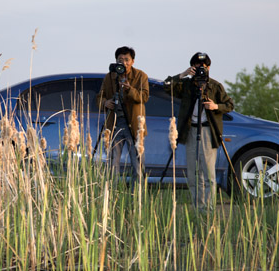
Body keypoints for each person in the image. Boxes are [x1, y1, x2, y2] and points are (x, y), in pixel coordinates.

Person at [164, 52, 234, 209]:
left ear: (209, 67)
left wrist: (215, 106)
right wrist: (183, 74)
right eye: (197, 66)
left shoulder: (215, 86)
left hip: (208, 130)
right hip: (190, 130)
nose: (201, 69)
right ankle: (198, 206)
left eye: (204, 66)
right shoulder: (187, 85)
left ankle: (208, 209)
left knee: (207, 172)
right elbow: (167, 86)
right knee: (192, 173)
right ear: (192, 67)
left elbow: (229, 105)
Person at [97, 46, 149, 178]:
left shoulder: (140, 76)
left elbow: (144, 97)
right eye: (120, 59)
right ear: (116, 61)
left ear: (133, 61)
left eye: (127, 59)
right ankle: (111, 194)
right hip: (114, 123)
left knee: (137, 163)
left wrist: (129, 89)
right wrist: (105, 102)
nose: (124, 63)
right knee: (112, 164)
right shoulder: (110, 76)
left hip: (134, 124)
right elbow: (99, 97)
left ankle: (137, 194)